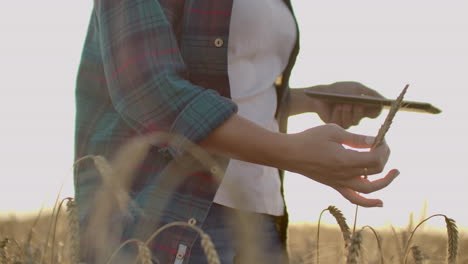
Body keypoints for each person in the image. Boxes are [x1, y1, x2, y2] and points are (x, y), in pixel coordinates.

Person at [74, 0, 399, 263]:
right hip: (171, 213)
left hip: (260, 213)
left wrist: (311, 98)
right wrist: (294, 154)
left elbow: (232, 87)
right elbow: (147, 88)